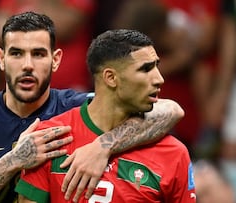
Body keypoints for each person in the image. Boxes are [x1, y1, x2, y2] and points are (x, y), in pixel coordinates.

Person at [0, 12, 184, 203]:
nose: (28, 65)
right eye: (17, 54)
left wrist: (102, 146)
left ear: (56, 60)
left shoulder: (75, 107)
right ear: (2, 59)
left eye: (39, 54)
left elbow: (170, 110)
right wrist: (14, 160)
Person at [16, 29, 195, 202]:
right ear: (110, 78)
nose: (159, 79)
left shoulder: (174, 153)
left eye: (157, 66)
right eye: (146, 69)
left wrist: (102, 147)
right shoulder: (49, 141)